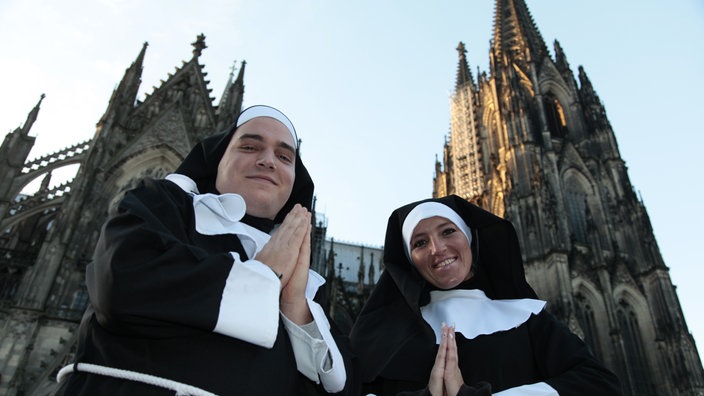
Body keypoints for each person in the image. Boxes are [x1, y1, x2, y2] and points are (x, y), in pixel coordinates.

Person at [54, 105, 358, 395]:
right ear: (217, 161)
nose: (268, 160)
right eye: (250, 147)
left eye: (284, 156)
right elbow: (120, 281)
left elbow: (341, 386)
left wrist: (295, 308)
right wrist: (264, 276)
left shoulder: (306, 280)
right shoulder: (165, 205)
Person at [349, 195, 621, 395]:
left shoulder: (524, 318)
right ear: (410, 261)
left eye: (448, 231)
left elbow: (600, 385)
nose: (438, 248)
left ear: (469, 238)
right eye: (420, 243)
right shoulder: (387, 336)